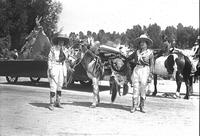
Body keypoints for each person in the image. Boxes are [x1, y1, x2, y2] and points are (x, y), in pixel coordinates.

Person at [130, 34, 154, 113]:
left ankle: (142, 106)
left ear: (147, 44)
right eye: (141, 42)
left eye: (144, 42)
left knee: (143, 87)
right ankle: (134, 105)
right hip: (137, 70)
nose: (142, 44)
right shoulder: (136, 52)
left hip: (145, 70)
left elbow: (152, 65)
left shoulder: (150, 53)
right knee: (135, 87)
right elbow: (129, 58)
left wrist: (150, 75)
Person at [48, 34, 69, 111]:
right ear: (57, 41)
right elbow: (49, 59)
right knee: (53, 85)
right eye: (60, 41)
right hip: (54, 66)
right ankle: (51, 103)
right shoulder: (53, 49)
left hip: (61, 67)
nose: (61, 42)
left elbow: (65, 62)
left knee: (60, 84)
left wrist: (65, 74)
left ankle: (58, 102)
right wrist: (50, 69)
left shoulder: (65, 50)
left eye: (63, 41)